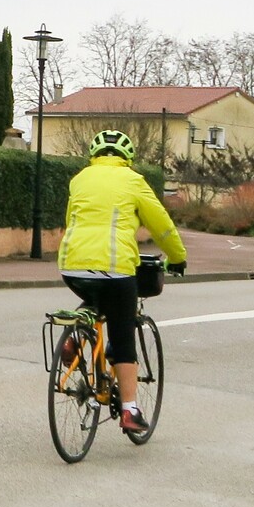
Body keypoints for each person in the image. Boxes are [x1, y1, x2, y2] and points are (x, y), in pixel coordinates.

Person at [57, 129, 187, 436]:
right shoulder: (134, 181)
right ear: (128, 157)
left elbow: (70, 219)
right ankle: (130, 410)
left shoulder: (79, 179)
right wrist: (177, 257)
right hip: (116, 268)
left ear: (93, 154)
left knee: (95, 296)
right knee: (123, 334)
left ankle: (74, 339)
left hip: (72, 266)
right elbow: (161, 225)